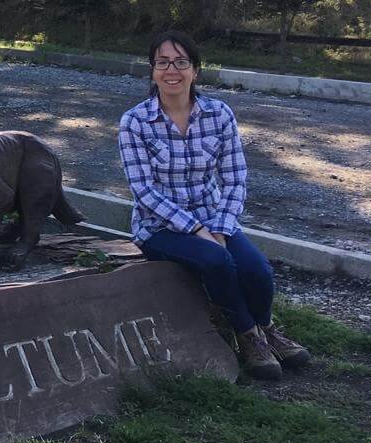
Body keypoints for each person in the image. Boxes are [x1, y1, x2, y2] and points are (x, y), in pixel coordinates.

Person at [116, 30, 309, 380]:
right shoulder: (135, 122)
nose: (171, 70)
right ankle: (246, 335)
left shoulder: (219, 114)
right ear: (152, 70)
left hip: (214, 217)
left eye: (181, 62)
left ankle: (267, 329)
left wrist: (219, 227)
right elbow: (143, 191)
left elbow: (235, 179)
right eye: (162, 62)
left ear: (195, 70)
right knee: (217, 261)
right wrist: (196, 230)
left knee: (257, 270)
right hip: (159, 227)